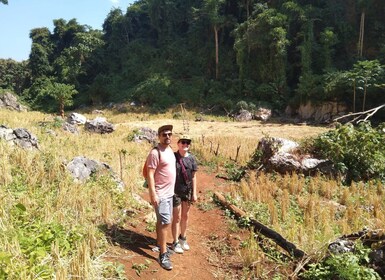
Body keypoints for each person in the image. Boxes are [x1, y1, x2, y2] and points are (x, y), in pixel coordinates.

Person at [146, 124, 176, 270]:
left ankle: (160, 244)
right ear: (159, 136)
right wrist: (153, 193)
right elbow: (149, 174)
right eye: (164, 134)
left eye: (169, 134)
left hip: (169, 194)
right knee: (165, 222)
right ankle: (163, 254)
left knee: (161, 220)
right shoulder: (155, 152)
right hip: (161, 194)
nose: (167, 136)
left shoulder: (170, 150)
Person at [171, 135, 198, 254]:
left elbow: (193, 177)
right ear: (178, 143)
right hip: (175, 191)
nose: (185, 144)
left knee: (185, 216)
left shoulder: (192, 159)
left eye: (187, 143)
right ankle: (175, 242)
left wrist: (194, 193)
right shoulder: (172, 157)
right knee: (176, 217)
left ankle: (183, 238)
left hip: (187, 191)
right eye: (183, 142)